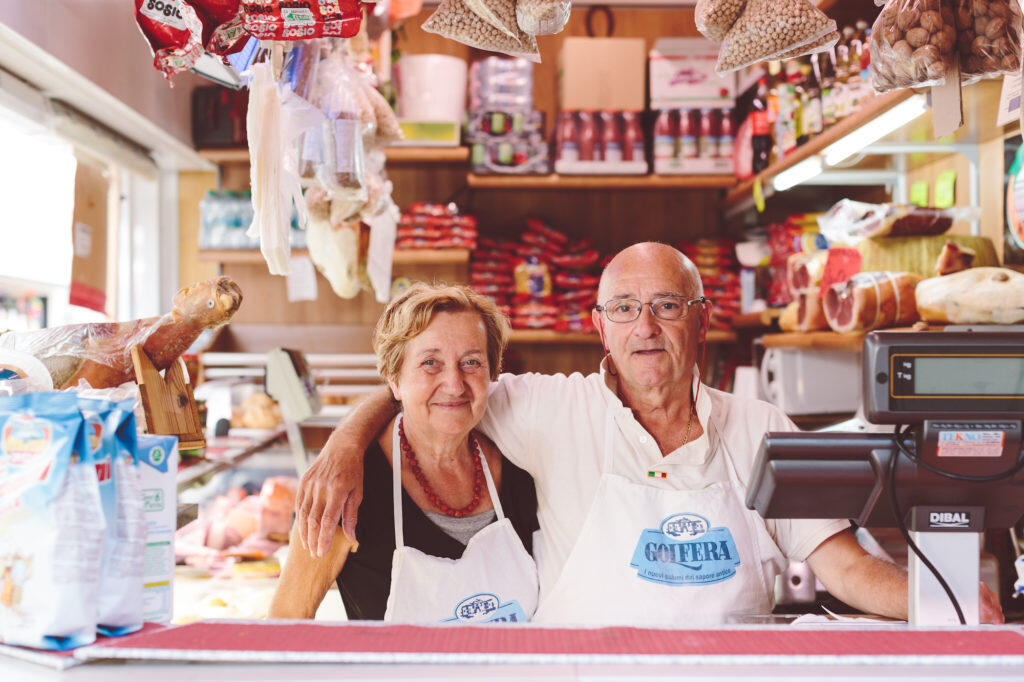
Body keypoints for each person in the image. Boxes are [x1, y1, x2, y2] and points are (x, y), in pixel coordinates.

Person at [295, 243, 1003, 625]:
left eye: (666, 305)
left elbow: (841, 564)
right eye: (625, 308)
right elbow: (435, 388)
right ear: (598, 327)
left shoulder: (763, 426)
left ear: (701, 318)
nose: (646, 327)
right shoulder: (550, 408)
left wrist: (938, 598)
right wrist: (345, 444)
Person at [270, 283, 538, 623]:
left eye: (471, 362)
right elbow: (287, 620)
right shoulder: (346, 486)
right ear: (394, 380)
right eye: (430, 363)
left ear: (492, 375)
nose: (454, 384)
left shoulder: (520, 466)